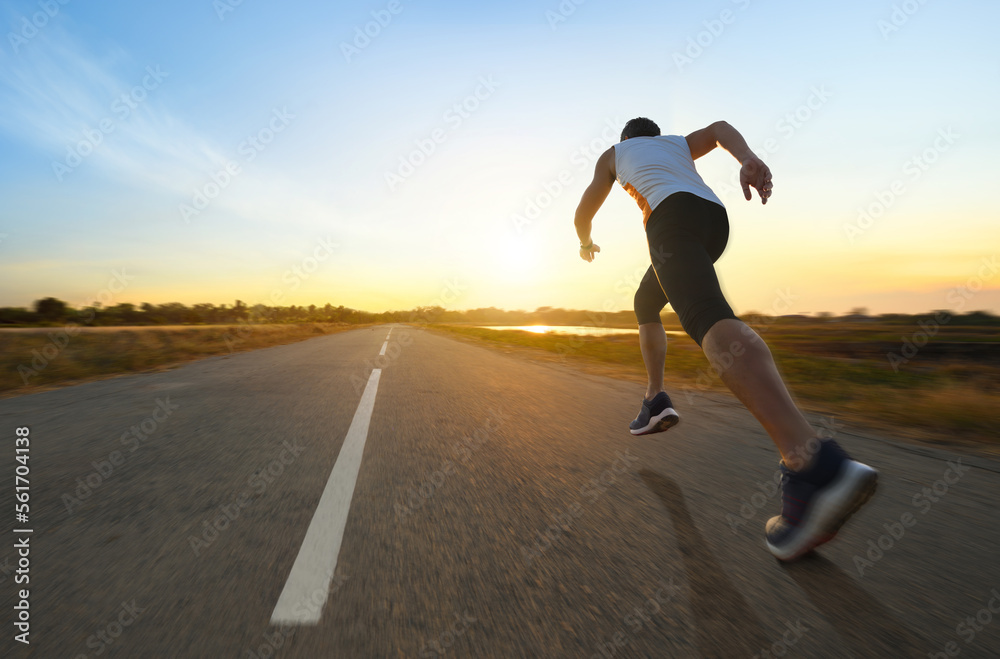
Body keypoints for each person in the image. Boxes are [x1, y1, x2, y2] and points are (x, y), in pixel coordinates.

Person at [572, 117, 877, 561]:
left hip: (669, 220)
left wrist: (585, 242)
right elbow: (716, 129)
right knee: (647, 301)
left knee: (708, 318)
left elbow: (584, 212)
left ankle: (814, 463)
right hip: (712, 219)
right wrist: (748, 158)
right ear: (655, 136)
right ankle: (655, 398)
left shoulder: (613, 156)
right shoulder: (675, 144)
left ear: (625, 141)